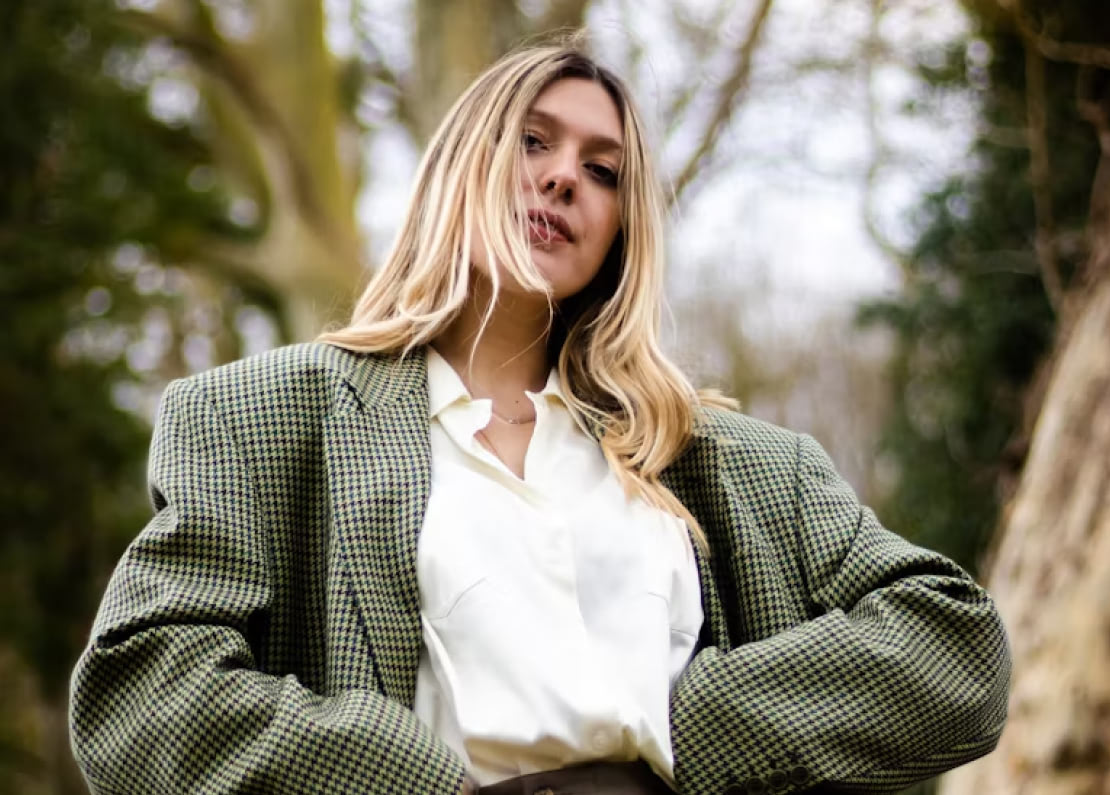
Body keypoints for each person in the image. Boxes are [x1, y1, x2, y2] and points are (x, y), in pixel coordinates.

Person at [69, 38, 1011, 795]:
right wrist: (399, 773)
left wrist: (696, 723)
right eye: (532, 141)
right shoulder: (262, 420)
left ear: (622, 231)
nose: (564, 178)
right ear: (460, 165)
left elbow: (954, 646)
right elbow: (144, 692)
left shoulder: (729, 462)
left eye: (603, 172)